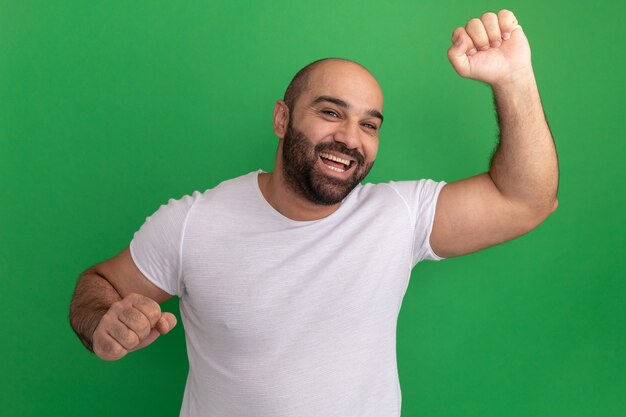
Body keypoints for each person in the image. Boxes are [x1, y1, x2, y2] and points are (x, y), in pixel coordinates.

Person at [69, 9, 558, 417]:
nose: (351, 137)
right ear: (282, 118)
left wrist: (513, 79)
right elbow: (98, 286)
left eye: (370, 123)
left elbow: (525, 200)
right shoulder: (193, 223)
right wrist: (103, 324)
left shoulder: (397, 216)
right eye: (331, 112)